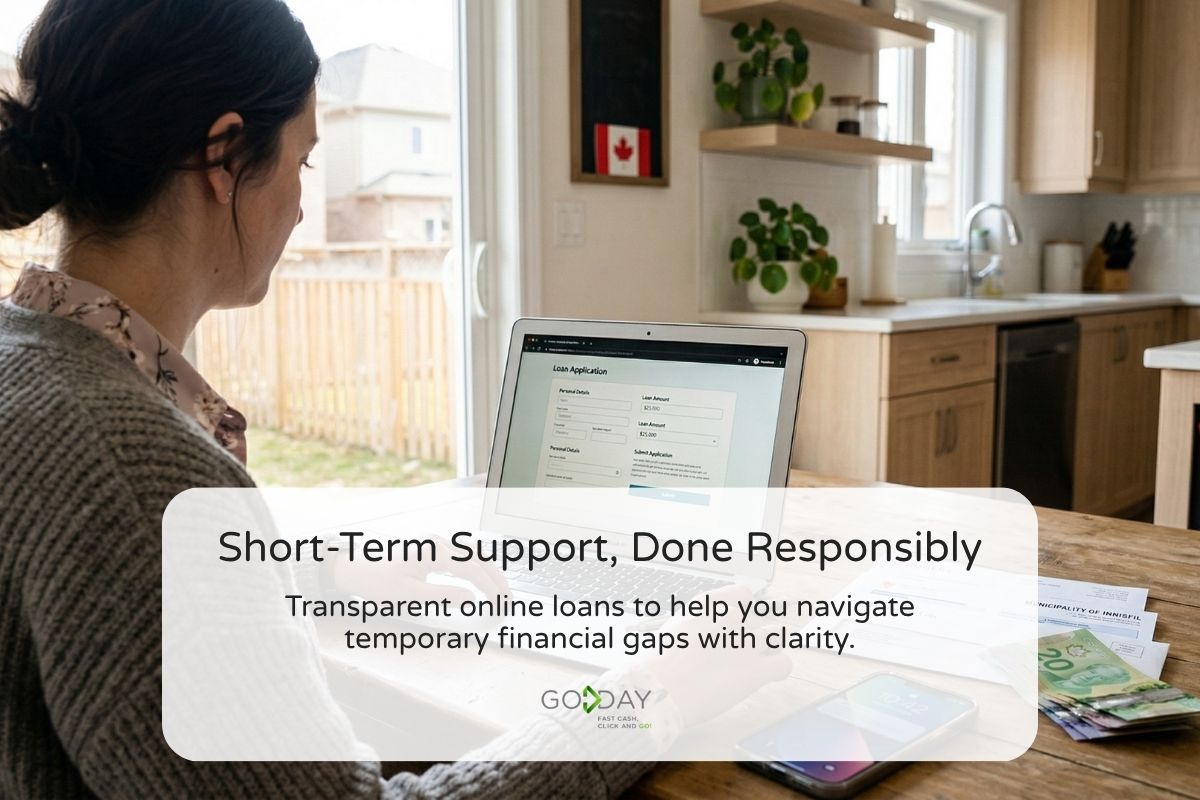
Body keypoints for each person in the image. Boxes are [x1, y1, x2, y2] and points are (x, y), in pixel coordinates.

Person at [0, 2, 787, 798]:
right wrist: (650, 696)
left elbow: (111, 604)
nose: (303, 204)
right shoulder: (130, 465)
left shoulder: (24, 369)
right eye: (304, 161)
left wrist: (329, 580)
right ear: (227, 154)